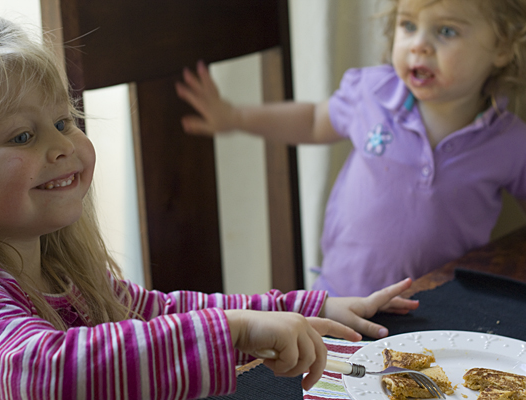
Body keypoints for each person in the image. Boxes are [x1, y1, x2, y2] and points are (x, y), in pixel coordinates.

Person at [0, 16, 420, 400]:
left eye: (63, 120)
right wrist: (236, 332)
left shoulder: (60, 273)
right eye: (23, 136)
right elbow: (40, 369)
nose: (61, 146)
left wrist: (306, 308)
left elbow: (159, 311)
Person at [176, 0, 526, 297]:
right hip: (339, 298)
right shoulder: (371, 95)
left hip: (435, 310)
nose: (418, 45)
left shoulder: (509, 141)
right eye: (407, 25)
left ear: (501, 47)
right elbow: (312, 120)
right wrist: (236, 117)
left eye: (446, 31)